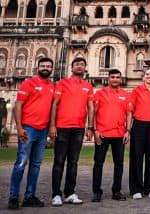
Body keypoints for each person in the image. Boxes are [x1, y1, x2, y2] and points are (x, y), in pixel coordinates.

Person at [8, 57, 55, 210]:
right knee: (21, 163)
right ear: (37, 67)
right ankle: (13, 197)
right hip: (28, 129)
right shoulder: (29, 83)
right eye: (43, 66)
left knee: (35, 165)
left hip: (42, 131)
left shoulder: (52, 86)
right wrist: (20, 128)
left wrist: (51, 127)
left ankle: (29, 196)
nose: (46, 68)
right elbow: (17, 105)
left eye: (48, 66)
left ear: (52, 69)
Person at [49, 57, 94, 206]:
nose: (80, 66)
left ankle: (69, 193)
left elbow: (90, 107)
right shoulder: (62, 83)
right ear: (71, 67)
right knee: (59, 161)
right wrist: (52, 125)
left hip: (78, 128)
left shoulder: (88, 86)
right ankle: (56, 194)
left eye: (82, 64)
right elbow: (55, 104)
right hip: (62, 127)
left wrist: (90, 127)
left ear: (85, 68)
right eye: (77, 64)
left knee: (73, 162)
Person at [91, 69, 132, 202]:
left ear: (121, 79)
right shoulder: (100, 93)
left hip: (119, 134)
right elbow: (94, 113)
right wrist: (95, 130)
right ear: (108, 79)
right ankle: (97, 192)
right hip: (102, 134)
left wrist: (128, 131)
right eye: (113, 77)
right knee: (98, 163)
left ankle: (117, 191)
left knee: (119, 164)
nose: (115, 79)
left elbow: (129, 114)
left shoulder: (126, 95)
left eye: (117, 77)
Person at [129, 69, 150, 199]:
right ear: (143, 77)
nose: (149, 76)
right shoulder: (136, 90)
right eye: (147, 74)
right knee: (136, 157)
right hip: (139, 125)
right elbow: (131, 109)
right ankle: (136, 189)